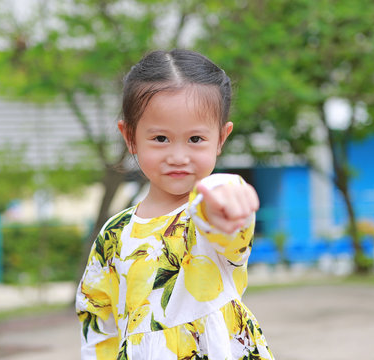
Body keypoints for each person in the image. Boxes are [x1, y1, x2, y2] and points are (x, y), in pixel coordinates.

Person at [76, 49, 275, 360]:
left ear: (221, 138)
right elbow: (98, 321)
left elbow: (219, 216)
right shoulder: (113, 234)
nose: (179, 156)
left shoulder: (205, 215)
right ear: (130, 137)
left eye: (196, 139)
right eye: (160, 139)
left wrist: (228, 200)